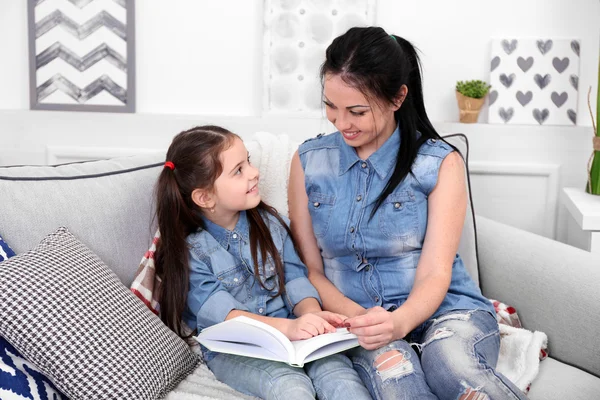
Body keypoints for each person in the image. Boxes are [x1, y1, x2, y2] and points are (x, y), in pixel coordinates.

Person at [288, 27, 528, 400]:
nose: (340, 122)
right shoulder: (308, 162)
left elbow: (435, 271)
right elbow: (311, 270)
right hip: (359, 320)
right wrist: (365, 321)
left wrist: (399, 321)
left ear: (398, 97)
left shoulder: (438, 163)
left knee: (453, 371)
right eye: (330, 106)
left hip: (446, 311)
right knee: (400, 384)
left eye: (357, 111)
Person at [153, 125, 371, 400]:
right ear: (205, 197)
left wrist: (310, 315)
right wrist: (289, 329)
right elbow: (226, 316)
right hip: (238, 348)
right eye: (239, 170)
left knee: (340, 378)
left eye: (249, 161)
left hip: (292, 328)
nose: (254, 172)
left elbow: (294, 277)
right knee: (290, 387)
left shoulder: (269, 224)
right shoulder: (190, 251)